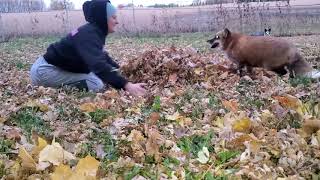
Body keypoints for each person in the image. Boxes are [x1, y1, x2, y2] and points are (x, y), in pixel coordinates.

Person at [30, 0, 147, 96]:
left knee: (97, 76)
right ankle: (60, 89)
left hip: (49, 68)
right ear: (103, 18)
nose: (117, 22)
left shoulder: (92, 31)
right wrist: (127, 85)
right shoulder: (89, 34)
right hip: (45, 72)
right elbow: (98, 65)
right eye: (113, 17)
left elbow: (101, 56)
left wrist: (120, 69)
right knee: (96, 84)